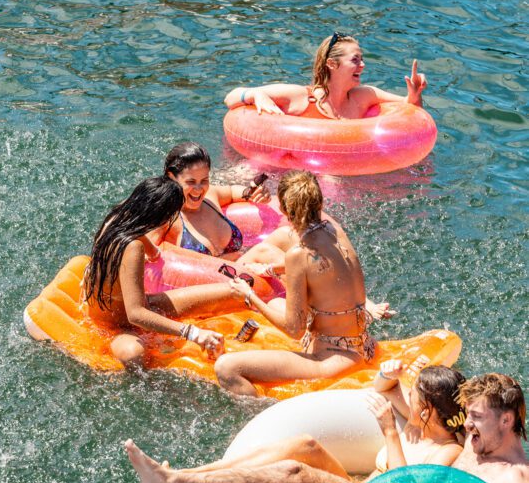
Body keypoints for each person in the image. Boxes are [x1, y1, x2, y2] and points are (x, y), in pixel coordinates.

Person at [126, 362, 467, 483]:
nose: (409, 397)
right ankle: (180, 482)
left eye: (416, 396)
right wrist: (388, 372)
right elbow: (384, 386)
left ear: (428, 410)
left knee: (293, 476)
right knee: (303, 445)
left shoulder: (448, 453)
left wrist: (391, 433)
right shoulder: (418, 422)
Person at [214, 170, 394, 397]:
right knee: (278, 302)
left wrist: (249, 296)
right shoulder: (333, 229)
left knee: (227, 368)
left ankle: (264, 412)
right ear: (319, 202)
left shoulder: (298, 255)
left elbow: (294, 330)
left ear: (284, 210)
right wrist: (270, 269)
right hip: (363, 345)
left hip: (330, 360)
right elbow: (321, 266)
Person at [84, 176, 240, 368]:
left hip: (138, 304)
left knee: (232, 292)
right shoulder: (131, 248)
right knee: (134, 355)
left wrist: (153, 251)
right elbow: (136, 315)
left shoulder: (117, 218)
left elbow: (136, 233)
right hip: (116, 326)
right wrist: (193, 333)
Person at [224, 32, 426, 120]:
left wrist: (415, 93)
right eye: (355, 60)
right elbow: (231, 97)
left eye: (362, 59)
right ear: (332, 64)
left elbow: (409, 108)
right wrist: (256, 95)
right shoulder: (301, 97)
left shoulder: (365, 96)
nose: (362, 65)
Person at [150, 142, 271, 261]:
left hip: (243, 272)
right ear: (171, 177)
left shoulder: (210, 196)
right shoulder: (165, 217)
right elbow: (143, 253)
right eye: (191, 182)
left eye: (204, 180)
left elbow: (232, 191)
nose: (199, 189)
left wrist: (254, 193)